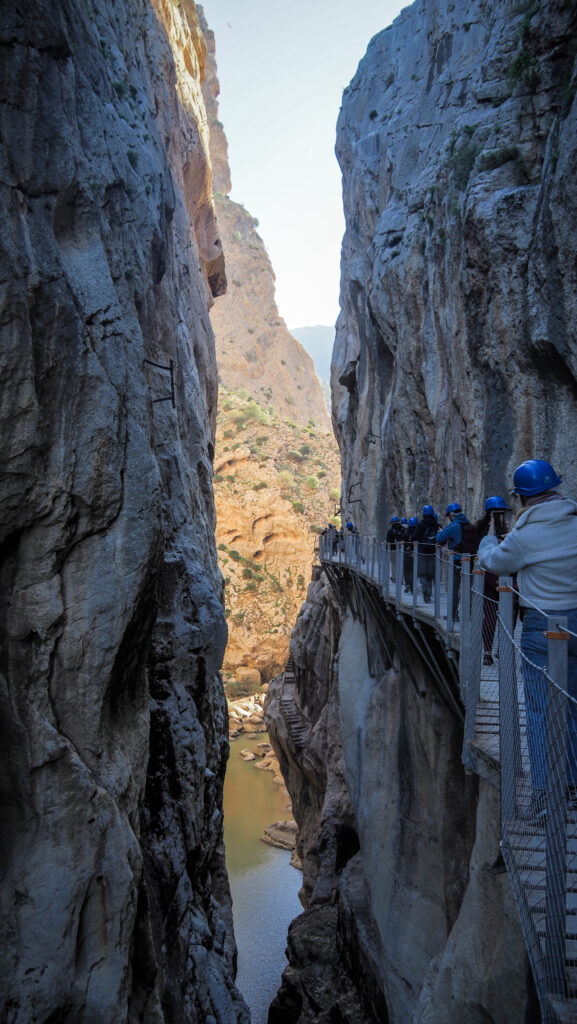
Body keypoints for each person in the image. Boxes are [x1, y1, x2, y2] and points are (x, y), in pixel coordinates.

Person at [478, 459, 577, 807]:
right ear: (556, 488)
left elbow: (493, 563)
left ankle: (545, 790)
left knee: (540, 710)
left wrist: (488, 540)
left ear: (521, 498)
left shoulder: (525, 535)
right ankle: (575, 785)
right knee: (574, 707)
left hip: (542, 627)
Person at [474, 496, 511, 664]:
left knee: (489, 615)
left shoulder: (479, 530)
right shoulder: (506, 532)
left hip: (486, 576)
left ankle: (487, 651)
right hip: (505, 577)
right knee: (508, 614)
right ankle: (501, 650)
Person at [435, 502, 475, 623]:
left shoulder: (453, 526)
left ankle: (453, 615)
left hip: (456, 560)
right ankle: (469, 615)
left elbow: (440, 538)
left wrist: (439, 532)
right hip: (469, 560)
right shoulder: (469, 525)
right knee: (468, 589)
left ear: (452, 515)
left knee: (454, 588)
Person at [412, 505, 439, 603]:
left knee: (422, 574)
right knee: (429, 575)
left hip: (422, 552)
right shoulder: (436, 524)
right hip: (433, 553)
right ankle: (429, 592)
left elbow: (414, 536)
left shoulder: (421, 524)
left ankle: (425, 593)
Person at [386, 515, 405, 583]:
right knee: (401, 564)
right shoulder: (403, 529)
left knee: (394, 564)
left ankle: (394, 578)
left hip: (393, 549)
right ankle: (401, 578)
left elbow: (388, 540)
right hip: (401, 550)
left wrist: (387, 549)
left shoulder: (390, 530)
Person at [403, 516, 418, 594]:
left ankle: (407, 583)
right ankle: (412, 586)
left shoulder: (406, 532)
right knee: (413, 571)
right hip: (415, 554)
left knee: (406, 570)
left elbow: (403, 540)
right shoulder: (418, 532)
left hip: (406, 553)